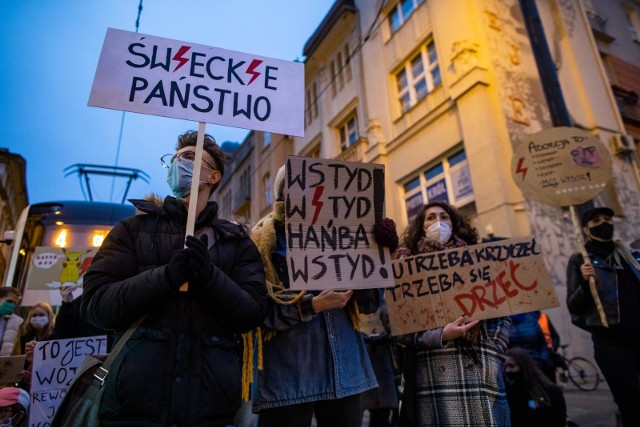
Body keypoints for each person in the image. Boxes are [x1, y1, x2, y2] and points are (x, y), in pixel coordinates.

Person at [81, 130, 267, 426]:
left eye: (191, 158)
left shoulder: (237, 242)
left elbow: (253, 313)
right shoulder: (131, 231)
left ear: (213, 177)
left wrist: (208, 278)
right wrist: (165, 277)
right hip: (134, 407)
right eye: (177, 158)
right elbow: (96, 305)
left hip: (210, 408)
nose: (180, 163)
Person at [248, 165, 378, 427]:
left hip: (345, 374)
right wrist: (312, 306)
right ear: (282, 194)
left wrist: (376, 252)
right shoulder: (263, 242)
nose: (308, 192)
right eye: (297, 184)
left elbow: (371, 303)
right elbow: (256, 311)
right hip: (290, 378)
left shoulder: (348, 236)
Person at [395, 202, 511, 426]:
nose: (438, 222)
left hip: (480, 362)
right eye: (430, 218)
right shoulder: (404, 265)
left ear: (454, 223)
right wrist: (440, 335)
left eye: (443, 217)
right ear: (421, 227)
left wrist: (494, 348)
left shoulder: (479, 258)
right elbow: (397, 326)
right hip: (433, 367)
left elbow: (503, 308)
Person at [566, 206, 640, 427]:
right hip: (613, 344)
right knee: (631, 406)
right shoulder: (581, 260)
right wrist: (587, 285)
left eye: (607, 218)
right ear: (586, 229)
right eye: (596, 220)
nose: (604, 223)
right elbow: (574, 308)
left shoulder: (631, 256)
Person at [504, 347, 567, 427]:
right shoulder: (508, 391)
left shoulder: (550, 391)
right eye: (505, 366)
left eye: (511, 366)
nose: (507, 370)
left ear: (524, 366)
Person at [508, 311, 557, 383]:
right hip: (513, 369)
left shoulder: (531, 319)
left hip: (536, 365)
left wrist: (543, 360)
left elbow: (542, 343)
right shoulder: (502, 323)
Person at [19, 302, 55, 390]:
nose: (37, 318)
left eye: (41, 314)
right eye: (34, 315)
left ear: (49, 317)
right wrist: (23, 370)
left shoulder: (55, 338)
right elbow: (17, 363)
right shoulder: (23, 339)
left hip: (47, 386)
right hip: (26, 387)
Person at [0, 288, 23, 357]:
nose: (12, 305)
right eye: (9, 301)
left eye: (14, 304)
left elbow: (16, 352)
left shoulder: (14, 323)